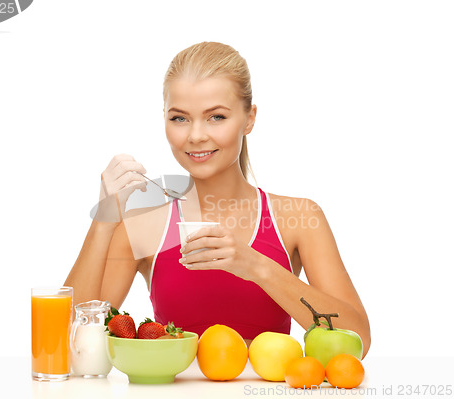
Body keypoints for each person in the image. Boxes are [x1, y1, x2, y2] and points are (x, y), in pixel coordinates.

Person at [64, 42, 371, 356]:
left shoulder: (298, 217)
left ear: (249, 119)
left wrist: (256, 266)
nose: (196, 135)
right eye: (180, 119)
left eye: (216, 117)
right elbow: (72, 343)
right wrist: (103, 221)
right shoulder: (142, 225)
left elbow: (357, 339)